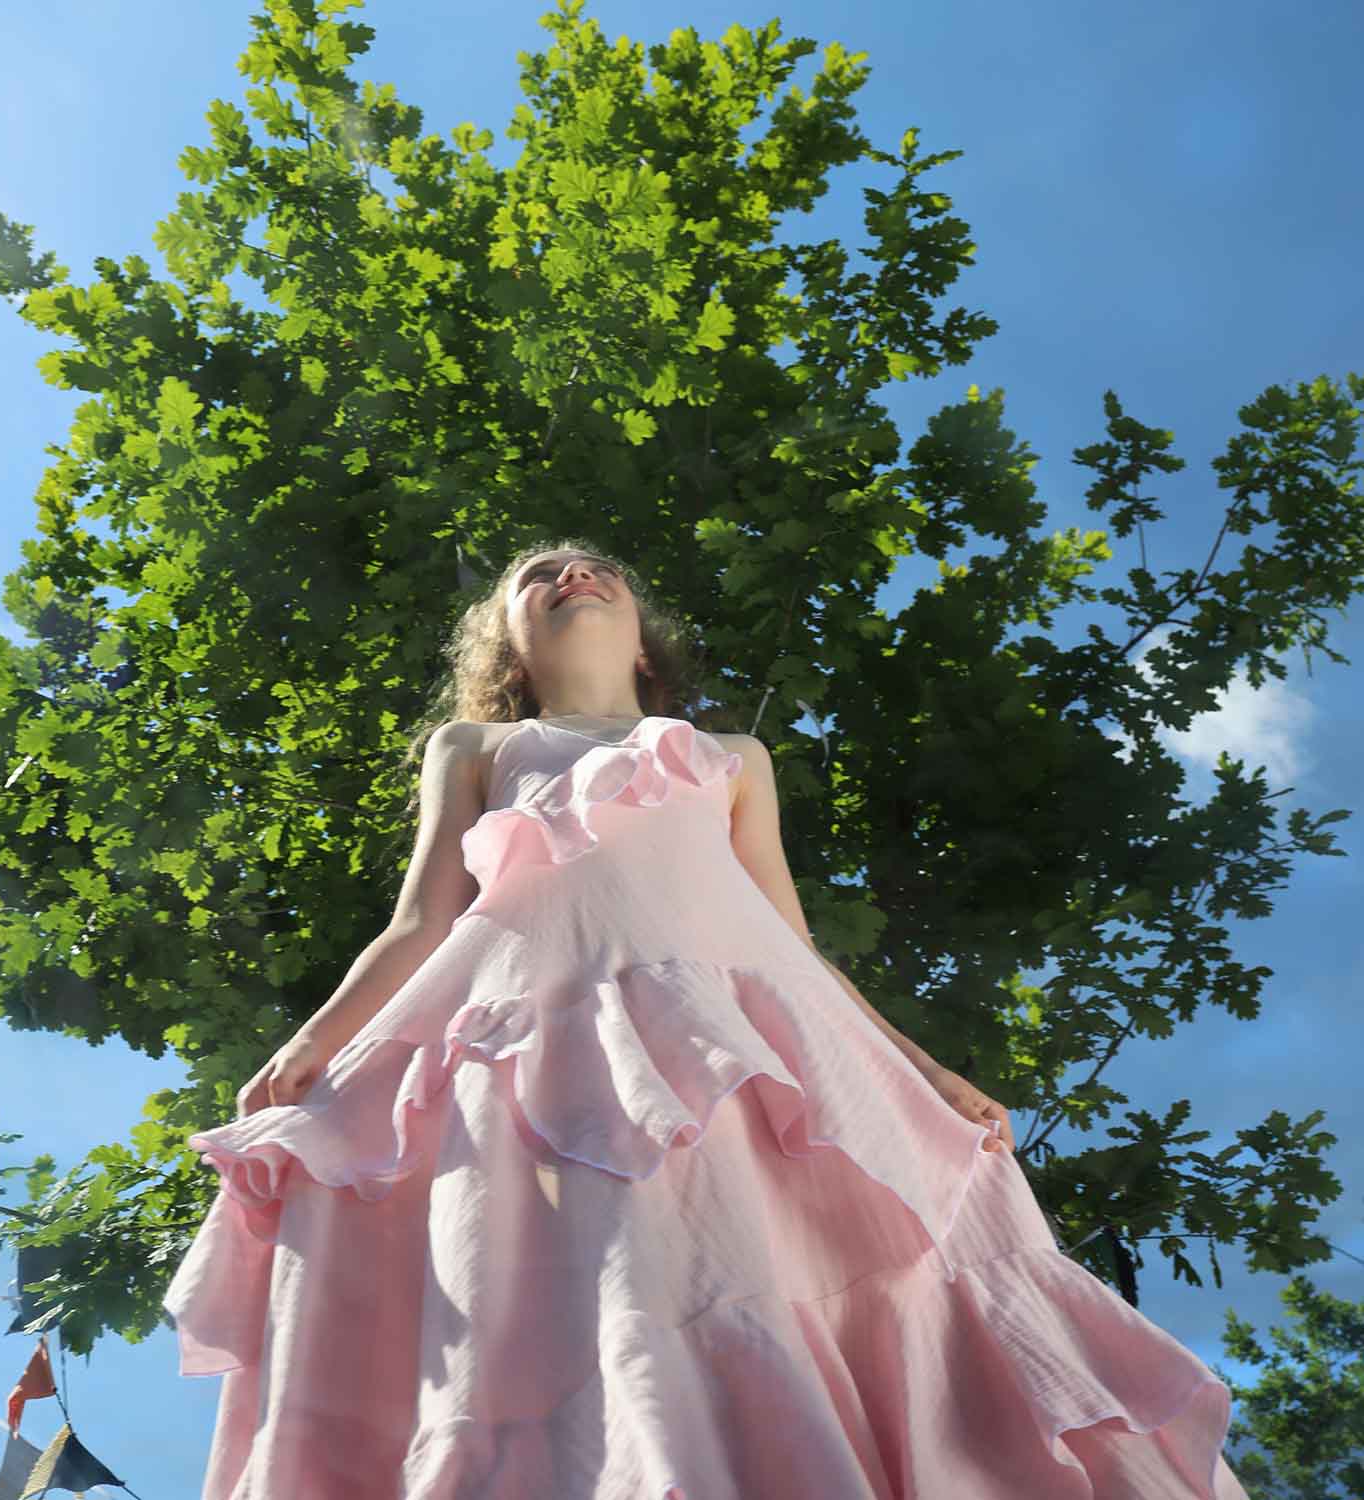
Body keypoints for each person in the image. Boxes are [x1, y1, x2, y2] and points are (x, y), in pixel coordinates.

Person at [162, 542, 1251, 1498]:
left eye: (596, 570)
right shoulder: (478, 750)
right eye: (532, 576)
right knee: (587, 1275)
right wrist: (316, 1042)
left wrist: (923, 1072)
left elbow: (791, 945)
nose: (565, 575)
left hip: (730, 1049)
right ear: (506, 643)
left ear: (645, 639)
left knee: (739, 1258)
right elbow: (418, 923)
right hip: (535, 1047)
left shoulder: (732, 760)